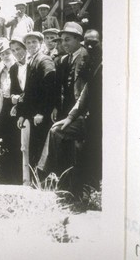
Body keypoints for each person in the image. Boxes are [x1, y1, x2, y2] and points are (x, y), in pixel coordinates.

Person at [39, 29, 102, 197]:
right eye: (87, 43)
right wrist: (70, 117)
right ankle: (51, 177)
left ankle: (83, 189)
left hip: (100, 121)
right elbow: (83, 95)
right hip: (81, 116)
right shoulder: (76, 60)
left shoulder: (97, 61)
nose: (89, 46)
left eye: (94, 43)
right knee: (56, 131)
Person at [16, 32, 56, 168]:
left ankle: (41, 184)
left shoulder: (44, 60)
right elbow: (28, 91)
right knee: (33, 149)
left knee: (41, 150)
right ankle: (34, 183)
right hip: (32, 114)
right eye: (28, 43)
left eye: (34, 42)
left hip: (40, 116)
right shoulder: (32, 60)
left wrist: (42, 112)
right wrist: (22, 114)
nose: (31, 45)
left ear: (41, 43)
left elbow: (50, 88)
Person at [0, 42, 21, 184]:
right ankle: (5, 175)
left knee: (17, 141)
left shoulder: (20, 67)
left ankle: (18, 176)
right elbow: (2, 95)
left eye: (7, 53)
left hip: (17, 104)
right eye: (2, 54)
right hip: (5, 106)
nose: (5, 56)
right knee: (5, 141)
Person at [53, 22, 90, 121]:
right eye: (62, 40)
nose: (64, 43)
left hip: (80, 112)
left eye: (67, 40)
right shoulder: (64, 60)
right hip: (64, 110)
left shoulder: (87, 58)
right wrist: (56, 107)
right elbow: (59, 87)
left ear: (78, 39)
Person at [9, 37, 30, 185]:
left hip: (32, 110)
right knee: (23, 146)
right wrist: (15, 99)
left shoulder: (33, 64)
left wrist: (20, 99)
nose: (17, 53)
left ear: (25, 48)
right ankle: (24, 179)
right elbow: (14, 92)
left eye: (19, 49)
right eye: (13, 50)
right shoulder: (13, 68)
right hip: (21, 111)